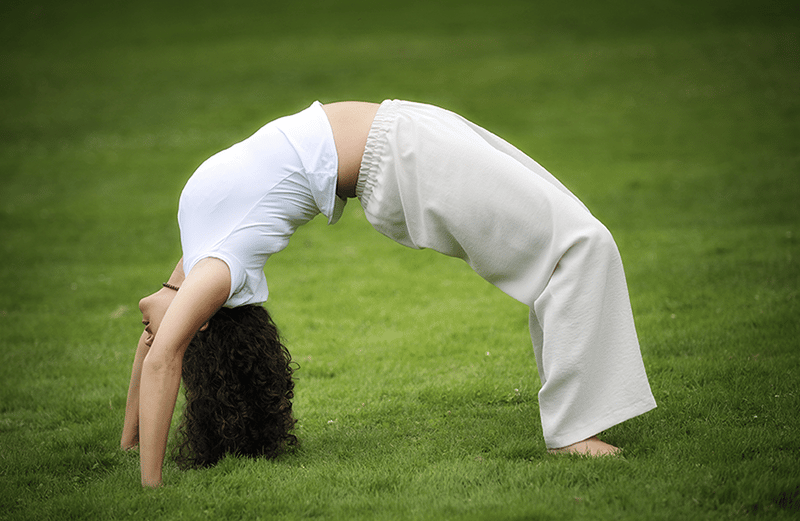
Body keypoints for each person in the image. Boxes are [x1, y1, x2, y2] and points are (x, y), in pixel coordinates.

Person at [121, 100, 657, 487]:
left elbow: (155, 350)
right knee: (580, 245)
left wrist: (130, 443)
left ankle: (573, 417)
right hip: (404, 161)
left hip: (407, 132)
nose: (148, 330)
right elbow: (165, 354)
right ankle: (572, 433)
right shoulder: (217, 271)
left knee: (572, 236)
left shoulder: (195, 251)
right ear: (204, 322)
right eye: (172, 326)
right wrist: (152, 486)